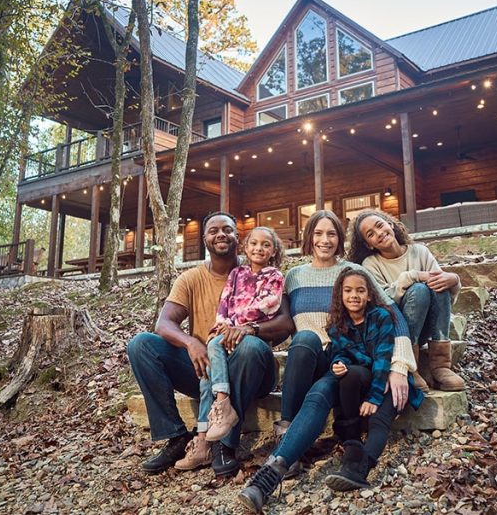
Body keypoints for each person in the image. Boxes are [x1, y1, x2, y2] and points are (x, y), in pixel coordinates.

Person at [238, 210, 416, 512]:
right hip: (306, 359)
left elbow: (392, 313)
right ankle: (287, 430)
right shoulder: (293, 277)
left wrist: (400, 366)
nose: (324, 240)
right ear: (309, 238)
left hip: (342, 360)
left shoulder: (351, 272)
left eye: (331, 234)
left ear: (339, 239)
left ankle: (271, 473)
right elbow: (281, 325)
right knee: (305, 338)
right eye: (318, 233)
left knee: (321, 393)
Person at [127, 212, 293, 478]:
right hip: (207, 369)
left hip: (254, 368)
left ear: (238, 237)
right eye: (213, 230)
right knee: (141, 345)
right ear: (204, 238)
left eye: (227, 229)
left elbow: (286, 324)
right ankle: (176, 437)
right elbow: (164, 324)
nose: (220, 235)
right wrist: (191, 342)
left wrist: (250, 329)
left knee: (248, 347)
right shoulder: (191, 278)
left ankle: (224, 444)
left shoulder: (263, 272)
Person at [175, 227, 285, 469]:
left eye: (266, 245)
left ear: (273, 251)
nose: (259, 248)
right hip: (227, 336)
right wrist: (223, 325)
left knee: (216, 348)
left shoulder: (274, 276)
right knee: (205, 378)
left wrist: (239, 324)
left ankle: (223, 404)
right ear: (245, 247)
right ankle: (203, 439)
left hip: (250, 343)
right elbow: (224, 303)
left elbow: (269, 304)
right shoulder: (237, 273)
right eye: (254, 244)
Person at [325, 267, 424, 491]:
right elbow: (341, 352)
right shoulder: (336, 325)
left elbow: (382, 359)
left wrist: (374, 398)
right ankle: (351, 440)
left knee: (379, 419)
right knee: (349, 374)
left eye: (360, 291)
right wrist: (337, 364)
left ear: (369, 295)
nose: (354, 296)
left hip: (387, 378)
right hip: (366, 377)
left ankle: (361, 469)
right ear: (340, 295)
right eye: (348, 290)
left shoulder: (381, 317)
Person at [348, 209, 465, 392]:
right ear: (369, 244)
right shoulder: (370, 265)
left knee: (439, 285)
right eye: (371, 234)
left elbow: (444, 297)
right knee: (419, 289)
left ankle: (441, 366)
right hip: (397, 333)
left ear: (391, 225)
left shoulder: (420, 252)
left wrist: (454, 281)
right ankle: (411, 367)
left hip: (427, 326)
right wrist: (413, 276)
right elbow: (383, 301)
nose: (379, 233)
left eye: (380, 225)